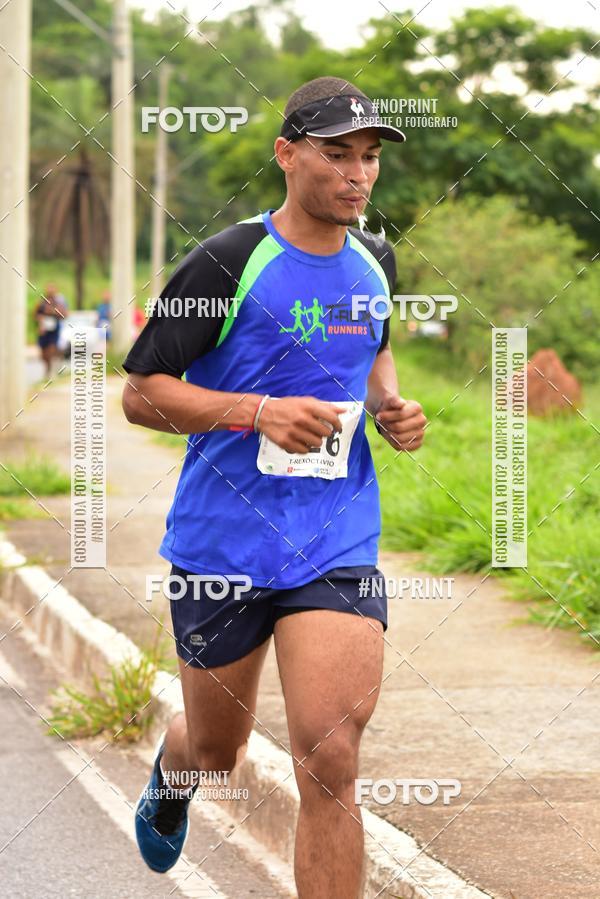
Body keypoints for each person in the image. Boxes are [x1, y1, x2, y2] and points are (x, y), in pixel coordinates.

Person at [122, 76, 427, 897]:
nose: (357, 175)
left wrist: (388, 406)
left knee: (331, 754)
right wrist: (255, 412)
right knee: (218, 749)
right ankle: (173, 775)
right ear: (287, 156)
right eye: (337, 155)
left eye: (368, 159)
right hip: (225, 544)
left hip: (335, 535)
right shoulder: (226, 261)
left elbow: (375, 348)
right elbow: (141, 392)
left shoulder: (377, 259)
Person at [35, 284, 67, 377]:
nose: (50, 291)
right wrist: (40, 319)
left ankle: (50, 370)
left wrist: (54, 312)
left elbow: (64, 315)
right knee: (43, 354)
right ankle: (47, 366)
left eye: (52, 289)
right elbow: (35, 314)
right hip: (43, 331)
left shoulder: (58, 304)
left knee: (51, 349)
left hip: (54, 331)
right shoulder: (41, 303)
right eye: (49, 289)